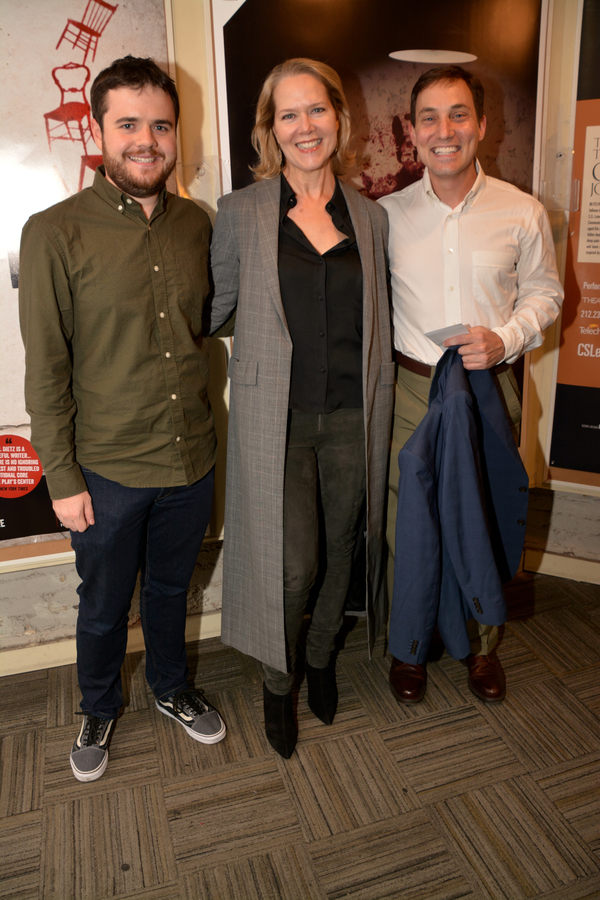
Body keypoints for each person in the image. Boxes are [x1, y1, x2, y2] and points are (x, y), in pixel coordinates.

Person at [19, 56, 226, 783]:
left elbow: (205, 330)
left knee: (173, 591)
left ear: (176, 134)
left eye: (160, 125)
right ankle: (99, 702)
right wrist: (62, 477)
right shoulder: (53, 232)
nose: (147, 140)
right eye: (129, 124)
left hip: (190, 459)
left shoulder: (198, 225)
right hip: (104, 471)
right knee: (104, 604)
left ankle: (171, 688)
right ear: (99, 132)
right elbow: (44, 370)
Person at [210, 58, 394, 758]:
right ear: (270, 129)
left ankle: (320, 656)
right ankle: (279, 680)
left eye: (316, 110)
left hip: (354, 413)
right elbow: (217, 309)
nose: (304, 126)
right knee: (293, 565)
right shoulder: (241, 212)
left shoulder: (370, 217)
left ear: (339, 119)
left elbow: (380, 312)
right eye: (288, 114)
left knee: (346, 548)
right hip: (277, 423)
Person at [378, 66, 563, 704]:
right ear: (412, 131)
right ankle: (411, 646)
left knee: (484, 517)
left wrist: (505, 338)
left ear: (481, 126)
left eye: (459, 115)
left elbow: (546, 295)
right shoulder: (385, 217)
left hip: (490, 391)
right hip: (411, 390)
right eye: (428, 117)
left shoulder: (523, 211)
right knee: (411, 524)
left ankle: (483, 649)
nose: (444, 130)